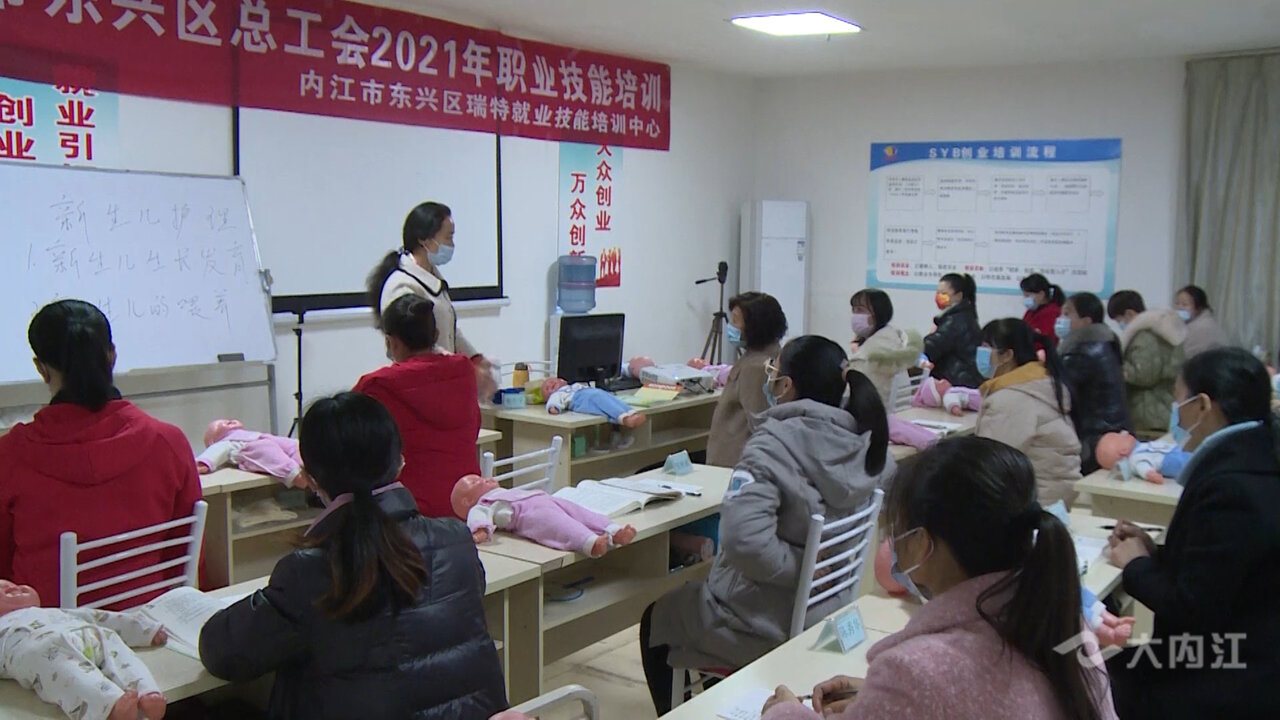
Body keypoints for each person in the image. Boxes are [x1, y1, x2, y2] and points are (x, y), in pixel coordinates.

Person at [760, 437, 1118, 720]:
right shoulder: (1062, 622)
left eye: (897, 530)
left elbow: (942, 688)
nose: (892, 544)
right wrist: (880, 698)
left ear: (921, 544)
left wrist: (785, 712)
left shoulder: (918, 673)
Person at [200, 392, 507, 720]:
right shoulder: (455, 539)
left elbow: (222, 653)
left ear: (311, 479)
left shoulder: (311, 571)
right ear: (400, 461)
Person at [641, 336, 894, 715]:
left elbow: (745, 543)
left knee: (657, 618)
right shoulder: (867, 444)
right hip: (829, 612)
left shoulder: (772, 445)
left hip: (763, 620)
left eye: (773, 370)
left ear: (785, 385)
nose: (769, 377)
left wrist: (804, 568)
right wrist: (814, 569)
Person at [1107, 348, 1280, 719]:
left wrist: (1136, 566)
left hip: (1229, 670)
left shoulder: (1233, 488)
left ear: (1202, 405)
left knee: (1092, 676)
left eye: (1178, 402)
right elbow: (1226, 566)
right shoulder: (1257, 457)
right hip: (1241, 651)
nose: (1176, 413)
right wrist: (1157, 553)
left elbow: (1190, 609)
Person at [0, 300, 204, 608]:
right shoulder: (168, 441)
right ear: (111, 355)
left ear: (41, 368)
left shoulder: (10, 456)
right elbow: (184, 554)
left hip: (49, 629)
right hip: (149, 621)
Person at [353, 294, 480, 519]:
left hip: (409, 515)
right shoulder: (464, 370)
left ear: (391, 342)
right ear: (436, 335)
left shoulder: (375, 386)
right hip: (469, 506)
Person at [366, 201, 496, 398]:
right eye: (448, 237)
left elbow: (451, 331)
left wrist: (474, 358)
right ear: (423, 239)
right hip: (419, 387)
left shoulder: (433, 278)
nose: (452, 245)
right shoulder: (402, 286)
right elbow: (417, 346)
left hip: (443, 381)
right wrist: (464, 369)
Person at [975, 318, 1082, 506]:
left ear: (1007, 355)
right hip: (1059, 492)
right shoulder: (1039, 383)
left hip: (1037, 500)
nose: (979, 354)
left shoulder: (1012, 398)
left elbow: (991, 463)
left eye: (986, 347)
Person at [707, 292, 788, 467]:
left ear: (755, 326)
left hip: (736, 462)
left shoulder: (756, 367)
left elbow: (759, 422)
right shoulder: (763, 357)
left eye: (736, 320)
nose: (731, 326)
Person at [1058, 293, 1133, 473]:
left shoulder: (1082, 352)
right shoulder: (1105, 342)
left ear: (1086, 321)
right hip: (1115, 431)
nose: (1061, 319)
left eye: (1067, 314)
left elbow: (1058, 392)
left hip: (1095, 437)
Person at [1107, 290, 1186, 439]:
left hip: (1148, 413)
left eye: (1119, 320)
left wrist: (1116, 367)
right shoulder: (1163, 331)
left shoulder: (1145, 337)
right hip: (1161, 408)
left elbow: (1145, 375)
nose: (1120, 325)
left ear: (1129, 314)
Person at [848, 289, 923, 406]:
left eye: (860, 310)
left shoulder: (872, 353)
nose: (855, 316)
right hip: (894, 411)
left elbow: (852, 392)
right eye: (854, 310)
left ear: (878, 313)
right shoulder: (892, 337)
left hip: (874, 411)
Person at [923, 273, 982, 388]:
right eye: (938, 293)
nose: (939, 297)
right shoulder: (966, 315)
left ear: (958, 296)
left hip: (954, 381)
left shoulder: (955, 321)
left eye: (944, 293)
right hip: (963, 378)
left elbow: (931, 348)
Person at [1173, 284, 1228, 359]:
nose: (1179, 308)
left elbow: (1187, 358)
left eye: (1185, 305)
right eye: (1177, 303)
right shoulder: (1189, 323)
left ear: (1199, 308)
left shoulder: (1203, 327)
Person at [1021, 273, 1067, 345]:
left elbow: (1042, 339)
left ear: (1041, 294)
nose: (1025, 299)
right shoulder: (1031, 311)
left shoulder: (1052, 312)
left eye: (1028, 295)